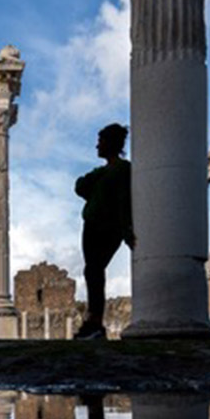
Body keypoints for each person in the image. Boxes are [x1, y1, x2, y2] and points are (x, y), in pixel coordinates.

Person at [74, 124, 135, 340]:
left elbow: (123, 202)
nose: (97, 145)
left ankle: (95, 322)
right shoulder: (104, 172)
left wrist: (127, 232)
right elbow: (79, 186)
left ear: (111, 143)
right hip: (92, 226)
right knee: (92, 271)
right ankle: (93, 321)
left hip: (106, 228)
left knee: (95, 271)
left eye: (100, 141)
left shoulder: (122, 170)